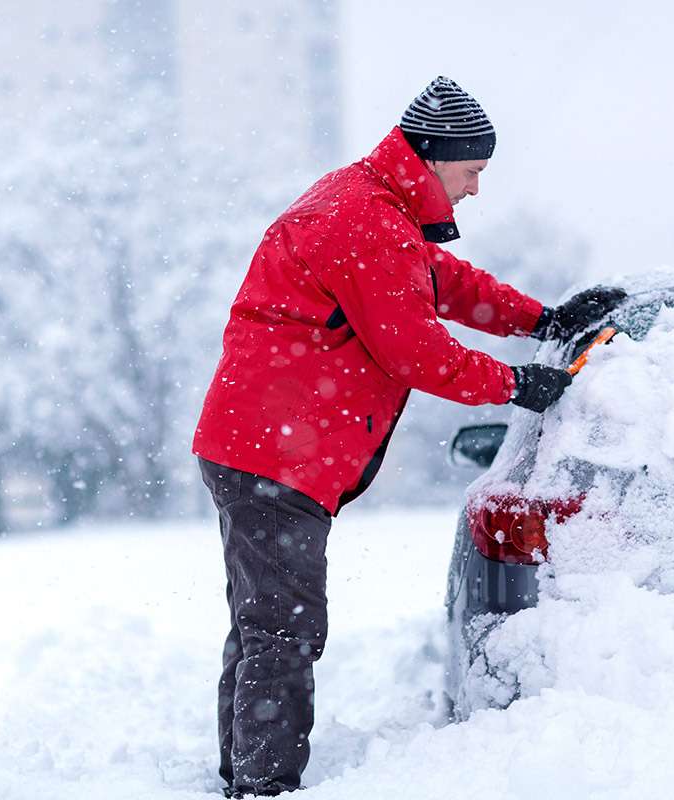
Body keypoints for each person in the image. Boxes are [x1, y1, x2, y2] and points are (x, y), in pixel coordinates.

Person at [193, 76, 624, 797]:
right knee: (283, 628)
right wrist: (518, 384)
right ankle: (262, 785)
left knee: (265, 623)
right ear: (435, 157)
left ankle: (245, 774)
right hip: (273, 454)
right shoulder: (365, 218)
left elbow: (439, 283)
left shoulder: (371, 206)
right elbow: (415, 351)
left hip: (261, 445)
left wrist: (541, 320)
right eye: (473, 171)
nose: (476, 189)